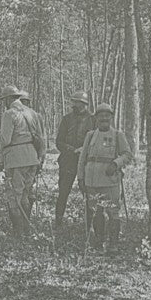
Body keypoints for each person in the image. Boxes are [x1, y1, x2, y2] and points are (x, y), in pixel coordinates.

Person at [79, 103, 133, 253]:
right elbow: (82, 158)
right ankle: (98, 241)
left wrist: (116, 164)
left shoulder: (117, 135)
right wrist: (80, 178)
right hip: (91, 180)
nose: (104, 118)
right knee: (95, 211)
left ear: (111, 117)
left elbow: (128, 155)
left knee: (112, 211)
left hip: (109, 181)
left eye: (107, 115)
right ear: (96, 118)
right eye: (100, 115)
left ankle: (113, 244)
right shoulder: (90, 135)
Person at [0, 86, 45, 238]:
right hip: (32, 157)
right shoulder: (32, 113)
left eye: (4, 100)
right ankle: (26, 229)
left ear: (9, 99)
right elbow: (41, 138)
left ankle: (18, 232)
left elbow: (5, 139)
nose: (4, 103)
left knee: (14, 196)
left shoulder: (9, 114)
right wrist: (40, 157)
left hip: (16, 159)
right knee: (25, 193)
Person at [54, 92, 93, 227]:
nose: (75, 105)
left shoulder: (93, 120)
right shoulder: (66, 119)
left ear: (85, 104)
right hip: (68, 161)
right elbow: (59, 142)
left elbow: (96, 141)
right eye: (74, 102)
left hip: (87, 163)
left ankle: (89, 227)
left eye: (78, 102)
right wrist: (72, 150)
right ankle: (58, 223)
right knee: (63, 192)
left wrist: (84, 150)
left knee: (89, 194)